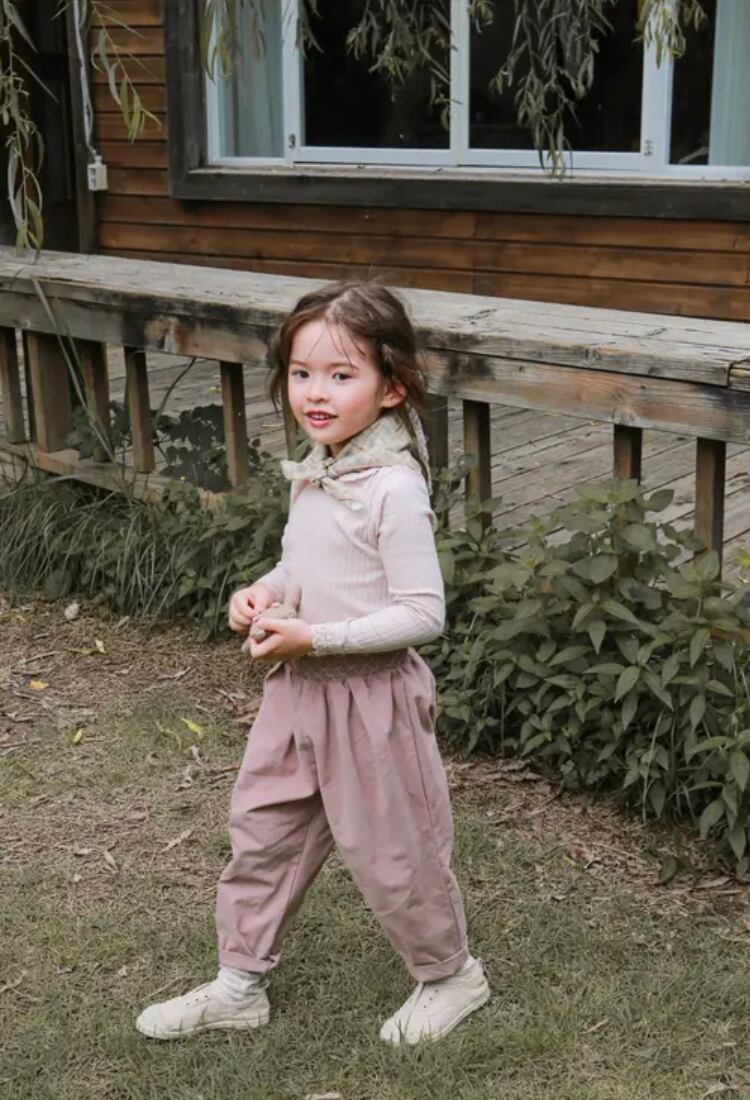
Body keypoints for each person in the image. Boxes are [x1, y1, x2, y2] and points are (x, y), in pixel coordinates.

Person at [135, 281, 490, 1045]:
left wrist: (315, 639)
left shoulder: (392, 488)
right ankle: (239, 985)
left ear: (392, 387)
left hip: (372, 702)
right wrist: (264, 593)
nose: (316, 392)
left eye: (340, 375)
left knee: (395, 853)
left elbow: (423, 614)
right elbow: (303, 566)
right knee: (262, 833)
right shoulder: (319, 471)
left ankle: (451, 975)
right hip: (297, 694)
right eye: (301, 373)